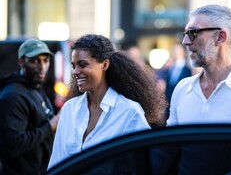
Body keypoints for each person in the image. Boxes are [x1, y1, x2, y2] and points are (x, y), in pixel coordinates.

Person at [150, 4, 231, 174]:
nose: (185, 41)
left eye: (193, 33)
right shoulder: (183, 88)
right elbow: (165, 151)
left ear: (220, 37)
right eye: (186, 34)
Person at [47, 34, 168, 170]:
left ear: (105, 65)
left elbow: (142, 166)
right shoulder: (69, 109)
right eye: (73, 66)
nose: (75, 72)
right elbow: (56, 162)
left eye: (83, 64)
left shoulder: (129, 112)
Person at [0, 38, 60, 174]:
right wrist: (49, 127)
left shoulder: (35, 87)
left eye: (45, 60)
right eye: (35, 61)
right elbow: (13, 145)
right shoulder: (13, 96)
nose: (42, 66)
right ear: (21, 62)